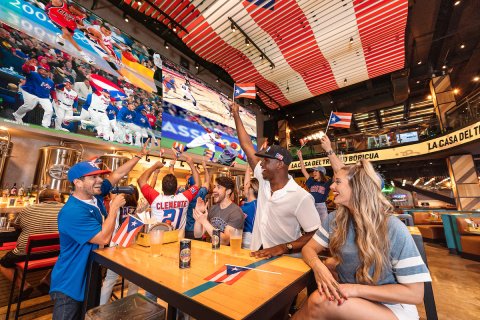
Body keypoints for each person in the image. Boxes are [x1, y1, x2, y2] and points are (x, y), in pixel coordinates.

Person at [292, 159, 432, 320]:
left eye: (338, 182)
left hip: (391, 307)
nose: (331, 186)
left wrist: (354, 289)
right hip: (354, 299)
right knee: (313, 299)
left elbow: (414, 294)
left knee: (318, 301)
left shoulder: (393, 228)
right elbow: (308, 249)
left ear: (357, 187)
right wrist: (319, 267)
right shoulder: (334, 219)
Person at [50, 142, 149, 320]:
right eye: (93, 177)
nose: (100, 181)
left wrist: (139, 156)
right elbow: (103, 238)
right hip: (71, 281)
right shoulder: (72, 212)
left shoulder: (95, 194)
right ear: (78, 183)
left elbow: (117, 174)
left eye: (99, 176)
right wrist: (113, 209)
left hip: (91, 275)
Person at [231, 103, 320, 258]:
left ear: (279, 164)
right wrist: (236, 115)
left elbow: (314, 234)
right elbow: (247, 146)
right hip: (258, 252)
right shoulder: (264, 180)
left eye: (266, 161)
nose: (261, 165)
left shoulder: (301, 197)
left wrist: (284, 247)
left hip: (286, 259)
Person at [0, 189, 63, 300]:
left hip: (28, 253)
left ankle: (24, 286)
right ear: (55, 197)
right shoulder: (65, 209)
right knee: (65, 257)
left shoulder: (28, 209)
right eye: (59, 196)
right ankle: (47, 281)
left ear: (39, 199)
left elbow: (17, 226)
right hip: (56, 252)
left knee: (4, 263)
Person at [137, 154, 200, 231]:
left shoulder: (156, 198)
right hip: (178, 240)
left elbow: (141, 181)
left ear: (162, 188)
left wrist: (155, 166)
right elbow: (197, 184)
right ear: (176, 188)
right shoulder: (184, 197)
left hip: (157, 239)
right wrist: (191, 164)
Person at [99, 191, 140, 305]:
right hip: (131, 246)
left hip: (115, 246)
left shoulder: (114, 204)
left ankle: (101, 309)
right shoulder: (135, 206)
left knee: (109, 280)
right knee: (134, 280)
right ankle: (130, 305)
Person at [193, 176, 245, 245]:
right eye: (214, 187)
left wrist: (204, 222)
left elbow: (224, 241)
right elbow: (198, 234)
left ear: (228, 191)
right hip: (213, 252)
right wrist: (199, 213)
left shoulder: (236, 212)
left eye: (218, 187)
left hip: (227, 254)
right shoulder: (213, 209)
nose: (214, 190)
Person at [13, 61, 56, 128]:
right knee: (29, 106)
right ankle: (17, 115)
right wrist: (25, 65)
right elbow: (26, 70)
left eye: (44, 70)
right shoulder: (34, 74)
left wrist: (55, 98)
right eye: (40, 70)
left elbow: (52, 91)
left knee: (49, 110)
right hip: (30, 92)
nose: (42, 71)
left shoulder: (51, 82)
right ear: (38, 70)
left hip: (43, 97)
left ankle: (45, 125)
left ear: (48, 72)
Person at [297, 150, 332, 223]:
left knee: (324, 227)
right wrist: (300, 156)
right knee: (312, 227)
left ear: (321, 173)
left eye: (316, 171)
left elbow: (336, 173)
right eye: (313, 171)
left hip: (321, 207)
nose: (314, 173)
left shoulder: (326, 183)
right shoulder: (311, 182)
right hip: (311, 206)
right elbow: (303, 170)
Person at [185, 160, 210, 239]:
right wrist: (205, 168)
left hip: (186, 230)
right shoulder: (201, 192)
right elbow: (207, 182)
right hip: (198, 229)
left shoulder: (184, 194)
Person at [241, 166, 258, 249]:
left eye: (246, 186)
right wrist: (247, 169)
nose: (244, 187)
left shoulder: (256, 205)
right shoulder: (246, 204)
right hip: (242, 240)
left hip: (251, 242)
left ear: (250, 189)